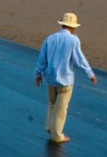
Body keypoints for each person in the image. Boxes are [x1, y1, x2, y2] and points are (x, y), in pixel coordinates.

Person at [34, 12, 97, 145]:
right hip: (65, 79)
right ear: (73, 27)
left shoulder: (50, 38)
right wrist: (90, 74)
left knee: (52, 103)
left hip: (50, 78)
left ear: (62, 24)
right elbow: (79, 60)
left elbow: (42, 58)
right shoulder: (73, 40)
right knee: (61, 108)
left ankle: (50, 127)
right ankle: (57, 135)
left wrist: (38, 73)